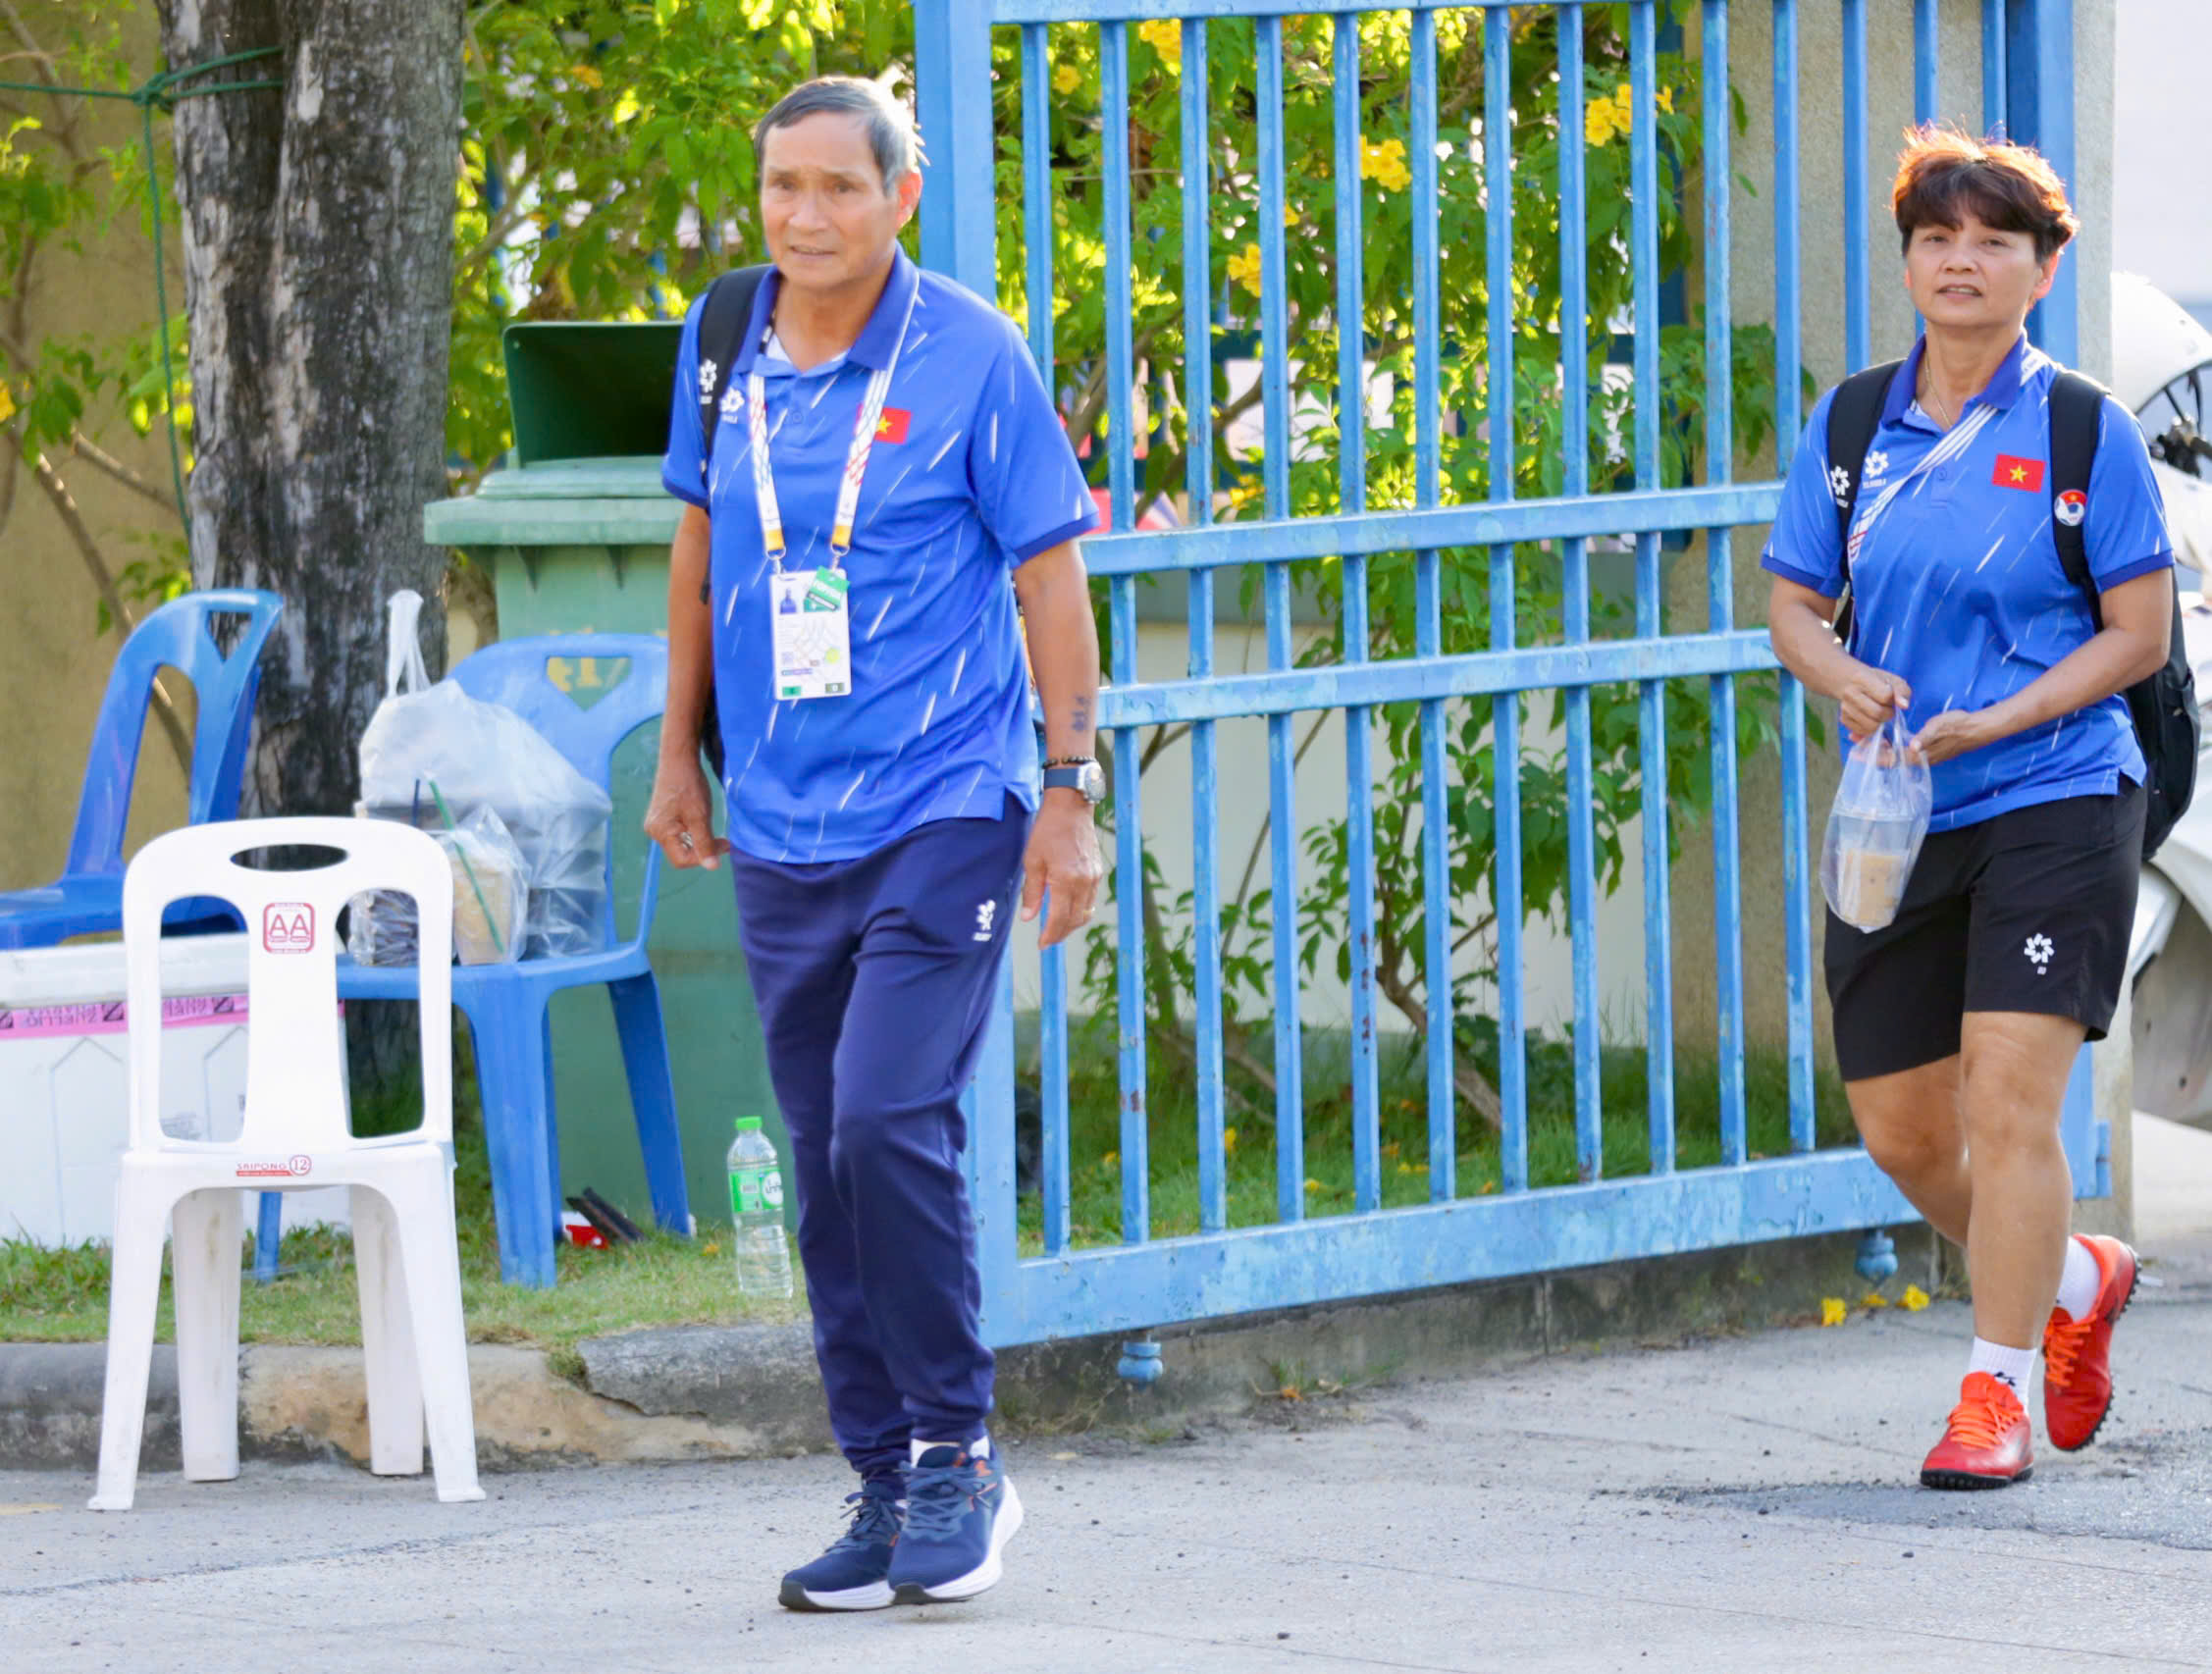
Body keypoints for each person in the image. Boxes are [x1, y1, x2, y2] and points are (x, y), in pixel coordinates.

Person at [644, 76, 1105, 1604]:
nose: (806, 215)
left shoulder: (972, 354)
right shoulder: (724, 340)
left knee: (884, 1119)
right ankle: (883, 1476)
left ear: (899, 197)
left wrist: (1067, 789)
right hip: (783, 817)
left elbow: (1048, 577)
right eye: (783, 186)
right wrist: (677, 756)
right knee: (821, 1160)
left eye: (839, 186)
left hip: (944, 804)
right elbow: (699, 546)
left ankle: (960, 1452)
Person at [1764, 126, 2170, 1491]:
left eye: (1994, 240)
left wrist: (2003, 714)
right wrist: (1837, 672)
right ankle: (2076, 1276)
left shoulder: (2082, 430)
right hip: (1900, 809)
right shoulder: (1850, 423)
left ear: (2041, 270)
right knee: (1904, 1131)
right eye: (1936, 237)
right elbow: (1792, 604)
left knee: (2007, 1101)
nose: (1960, 260)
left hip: (2057, 792)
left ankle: (1992, 1393)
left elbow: (2138, 634)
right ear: (1907, 264)